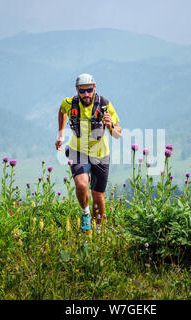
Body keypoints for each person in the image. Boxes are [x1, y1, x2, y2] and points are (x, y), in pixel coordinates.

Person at [55, 73, 122, 233]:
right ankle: (85, 213)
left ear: (95, 88)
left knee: (98, 195)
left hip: (100, 153)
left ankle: (98, 230)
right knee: (81, 184)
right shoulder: (69, 103)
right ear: (77, 90)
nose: (86, 94)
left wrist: (110, 125)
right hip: (78, 151)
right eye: (82, 91)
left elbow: (118, 134)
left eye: (89, 90)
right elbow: (62, 111)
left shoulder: (105, 104)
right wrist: (61, 134)